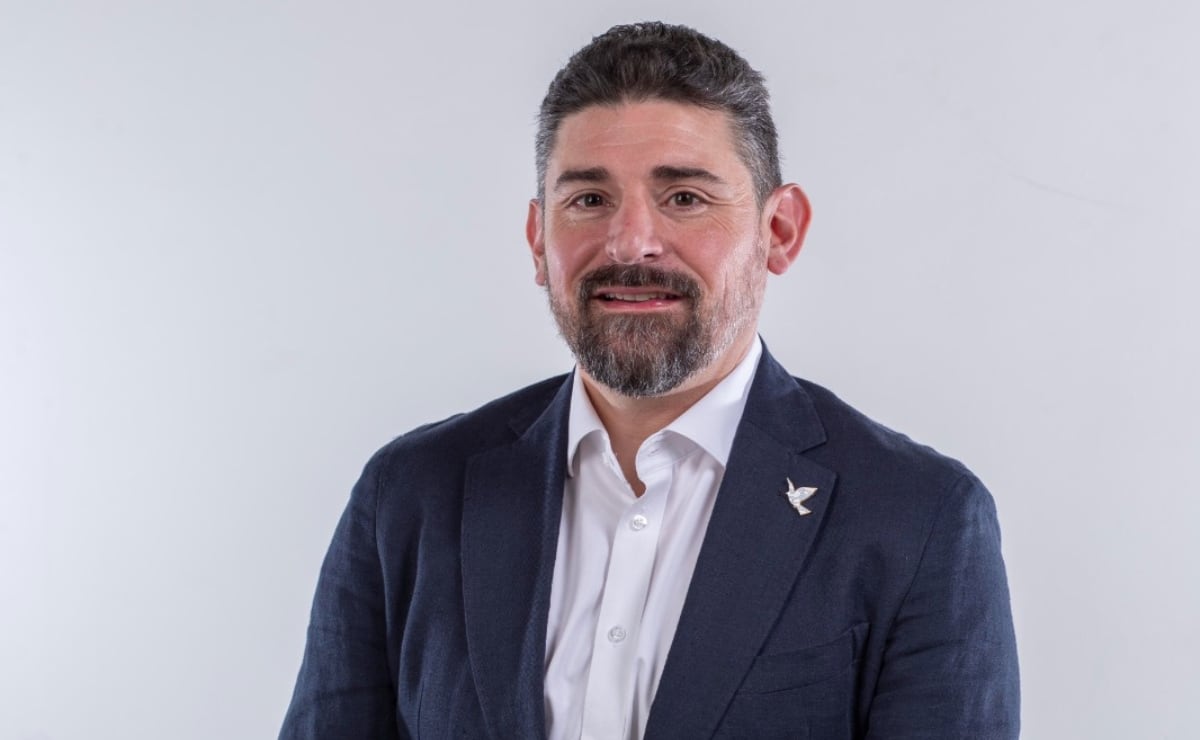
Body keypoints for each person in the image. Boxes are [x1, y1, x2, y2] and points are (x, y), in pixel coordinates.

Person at [280, 22, 1019, 740]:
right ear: (539, 241)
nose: (631, 243)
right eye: (589, 200)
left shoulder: (919, 519)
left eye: (685, 197)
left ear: (779, 231)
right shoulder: (409, 495)